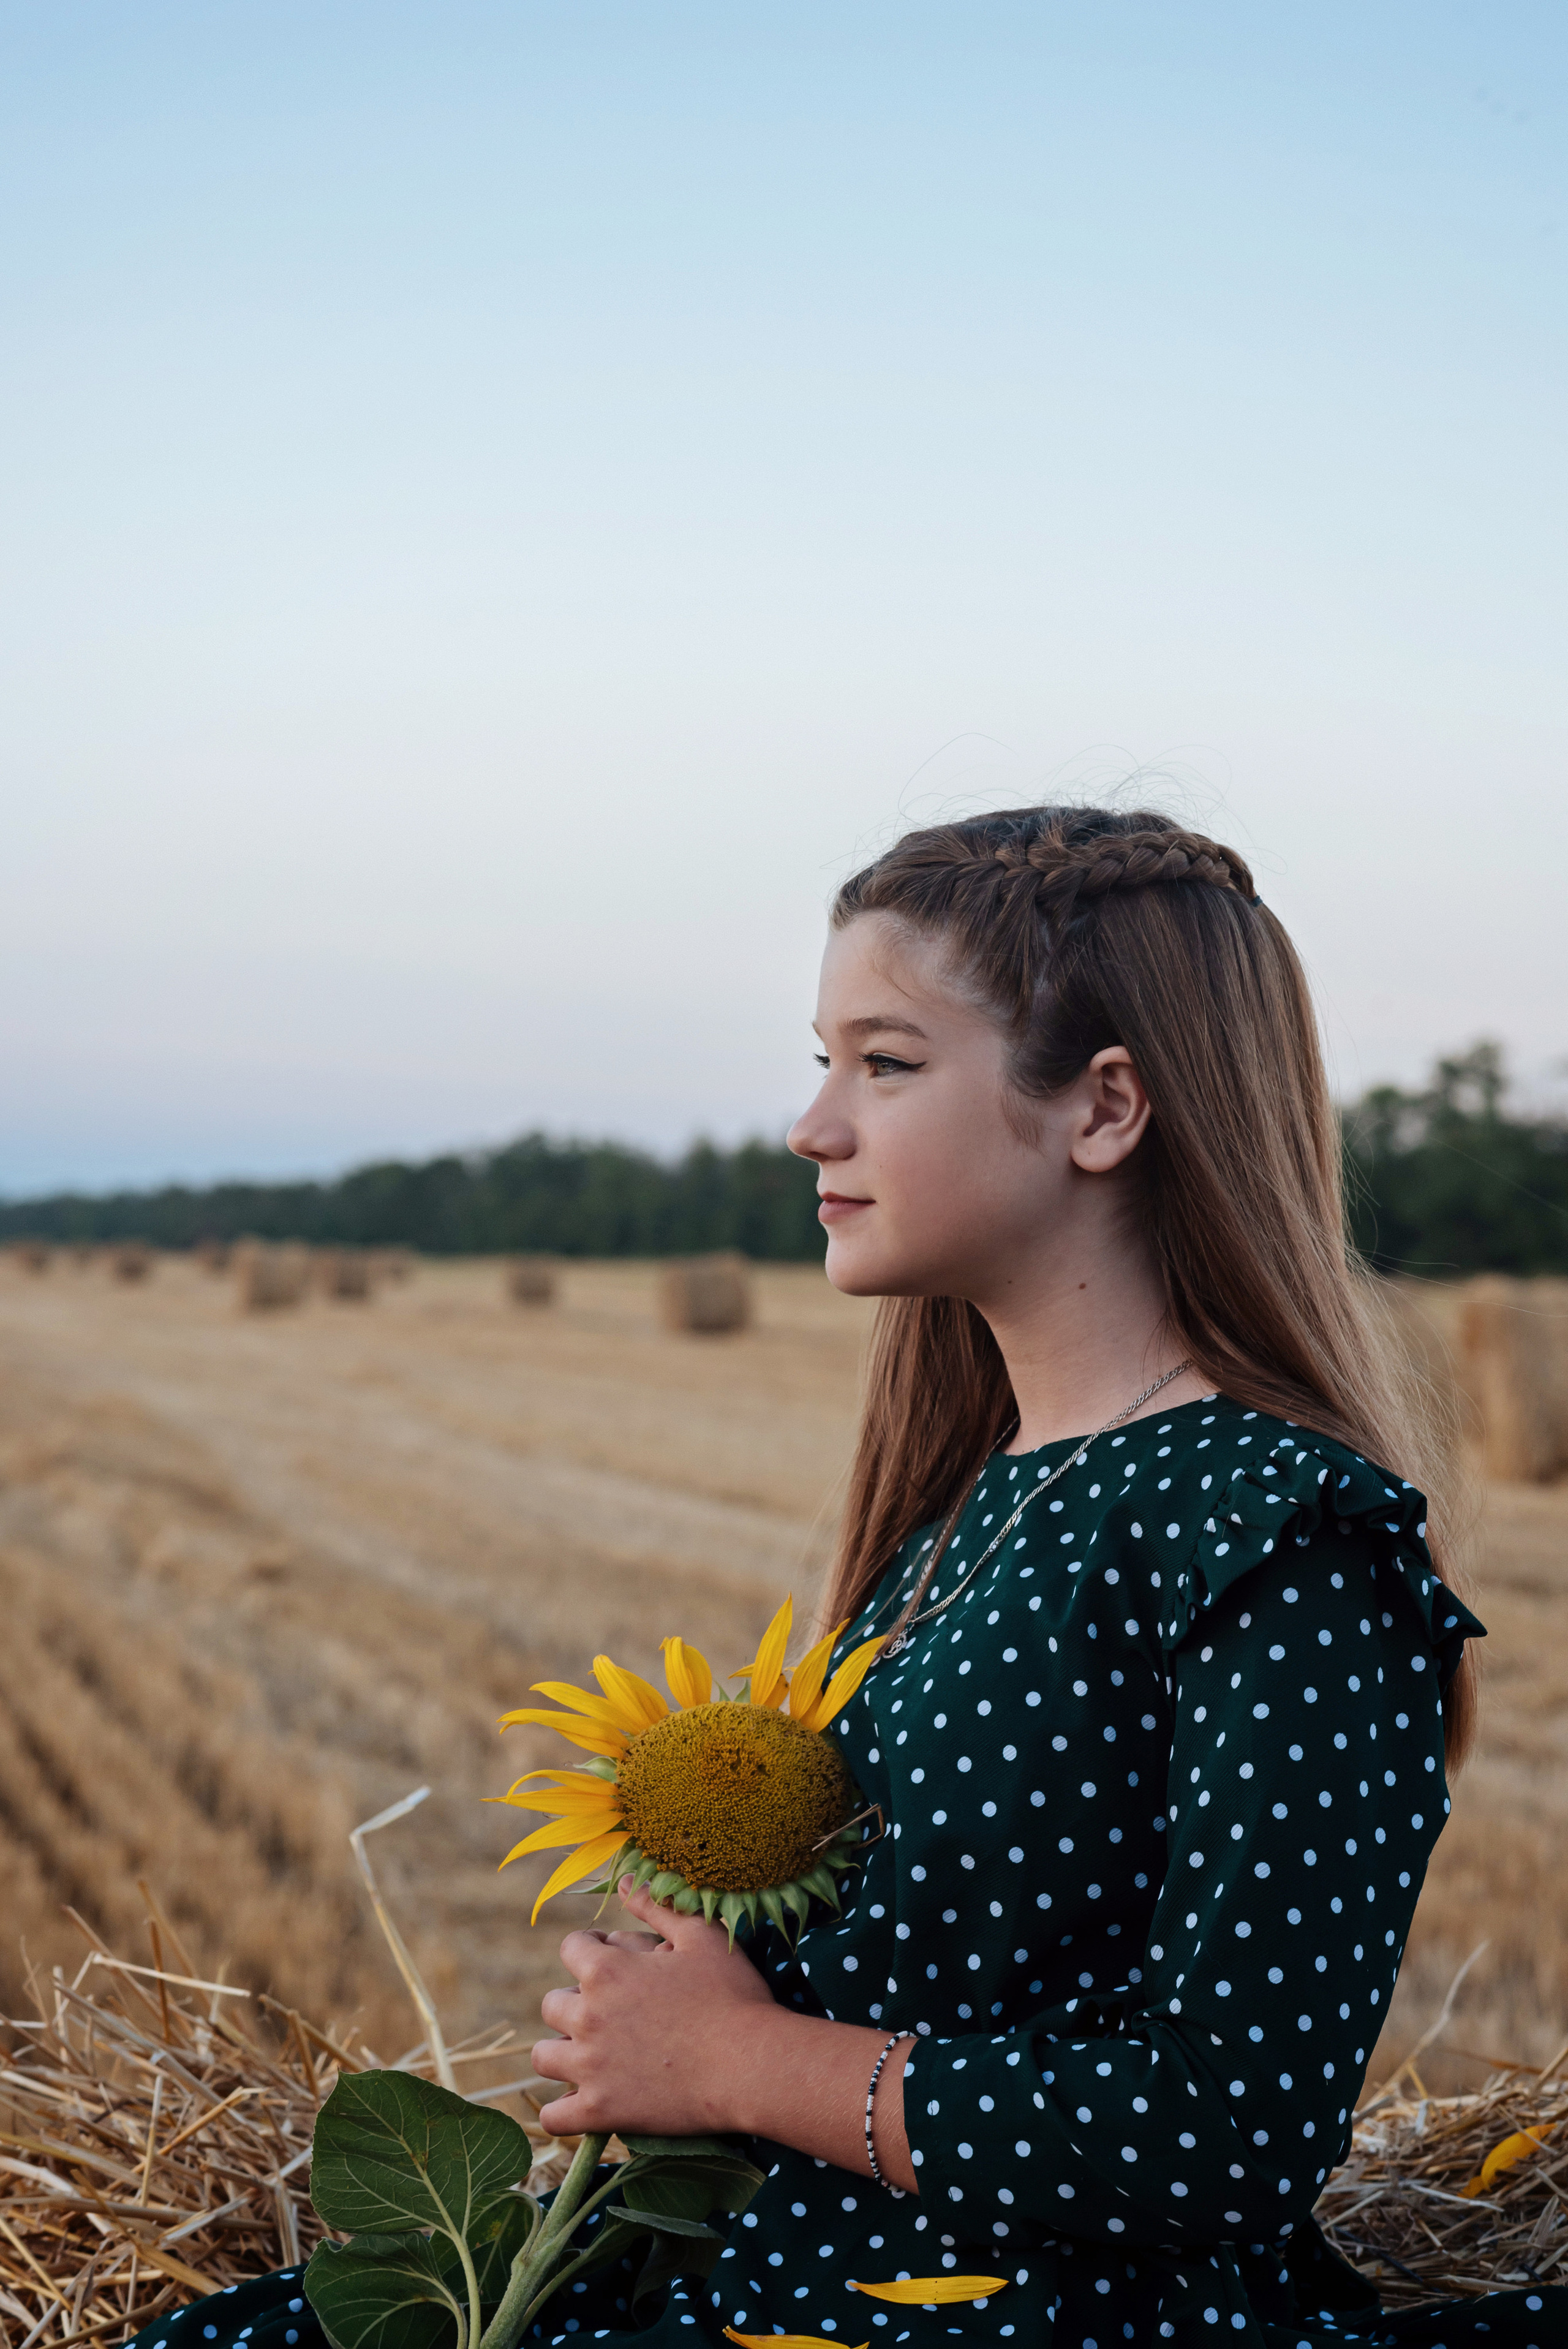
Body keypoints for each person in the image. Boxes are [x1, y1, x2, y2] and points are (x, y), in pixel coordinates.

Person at [134, 808, 1559, 2349]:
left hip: (1008, 2319)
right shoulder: (964, 1513)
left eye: (882, 1064)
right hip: (795, 2280)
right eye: (821, 1061)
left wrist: (740, 2065)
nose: (815, 1126)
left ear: (1103, 1109)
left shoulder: (1280, 1535)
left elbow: (1220, 2130)